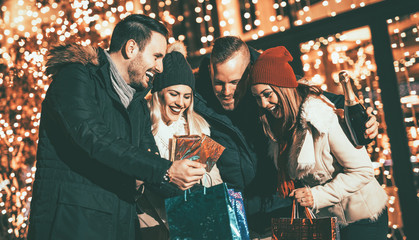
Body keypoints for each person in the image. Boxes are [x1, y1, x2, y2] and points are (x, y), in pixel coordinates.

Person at [27, 14, 206, 240]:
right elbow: (93, 137)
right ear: (131, 48)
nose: (160, 67)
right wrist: (167, 170)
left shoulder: (137, 105)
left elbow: (146, 164)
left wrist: (191, 185)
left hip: (119, 224)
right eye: (157, 56)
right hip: (73, 223)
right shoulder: (75, 78)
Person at [195, 36, 380, 238]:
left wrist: (365, 117)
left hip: (289, 209)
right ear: (211, 71)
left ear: (249, 72)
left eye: (235, 82)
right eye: (219, 83)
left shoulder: (268, 79)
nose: (227, 91)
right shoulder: (199, 102)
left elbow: (303, 96)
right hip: (242, 219)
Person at [250, 46, 388, 240]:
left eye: (267, 94)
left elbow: (363, 171)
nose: (264, 104)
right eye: (257, 98)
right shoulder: (280, 130)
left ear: (283, 88)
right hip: (330, 223)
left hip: (363, 220)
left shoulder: (321, 117)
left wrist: (316, 196)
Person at [136, 43, 223, 239]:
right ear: (159, 93)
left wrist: (199, 175)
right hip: (153, 225)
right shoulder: (142, 128)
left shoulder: (196, 127)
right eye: (173, 94)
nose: (180, 103)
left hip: (194, 224)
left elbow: (216, 181)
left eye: (186, 96)